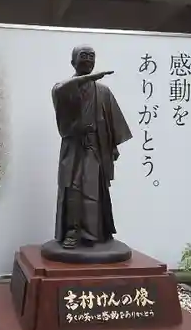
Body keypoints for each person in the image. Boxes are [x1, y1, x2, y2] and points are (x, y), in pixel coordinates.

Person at [52, 45, 133, 249]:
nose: (88, 60)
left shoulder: (103, 91)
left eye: (91, 57)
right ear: (73, 62)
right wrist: (87, 79)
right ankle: (73, 231)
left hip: (96, 147)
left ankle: (92, 233)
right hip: (74, 147)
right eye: (83, 56)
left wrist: (112, 147)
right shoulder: (64, 88)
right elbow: (61, 92)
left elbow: (113, 121)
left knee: (93, 190)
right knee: (74, 189)